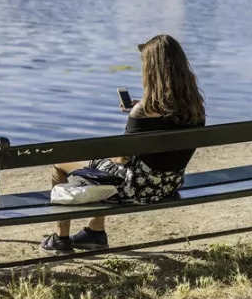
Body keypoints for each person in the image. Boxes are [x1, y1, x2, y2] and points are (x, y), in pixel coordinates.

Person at [40, 34, 207, 254]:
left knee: (61, 163)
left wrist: (137, 115)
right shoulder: (195, 108)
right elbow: (167, 120)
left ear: (152, 70)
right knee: (105, 168)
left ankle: (61, 238)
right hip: (169, 183)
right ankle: (95, 233)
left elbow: (121, 159)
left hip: (136, 188)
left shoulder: (144, 111)